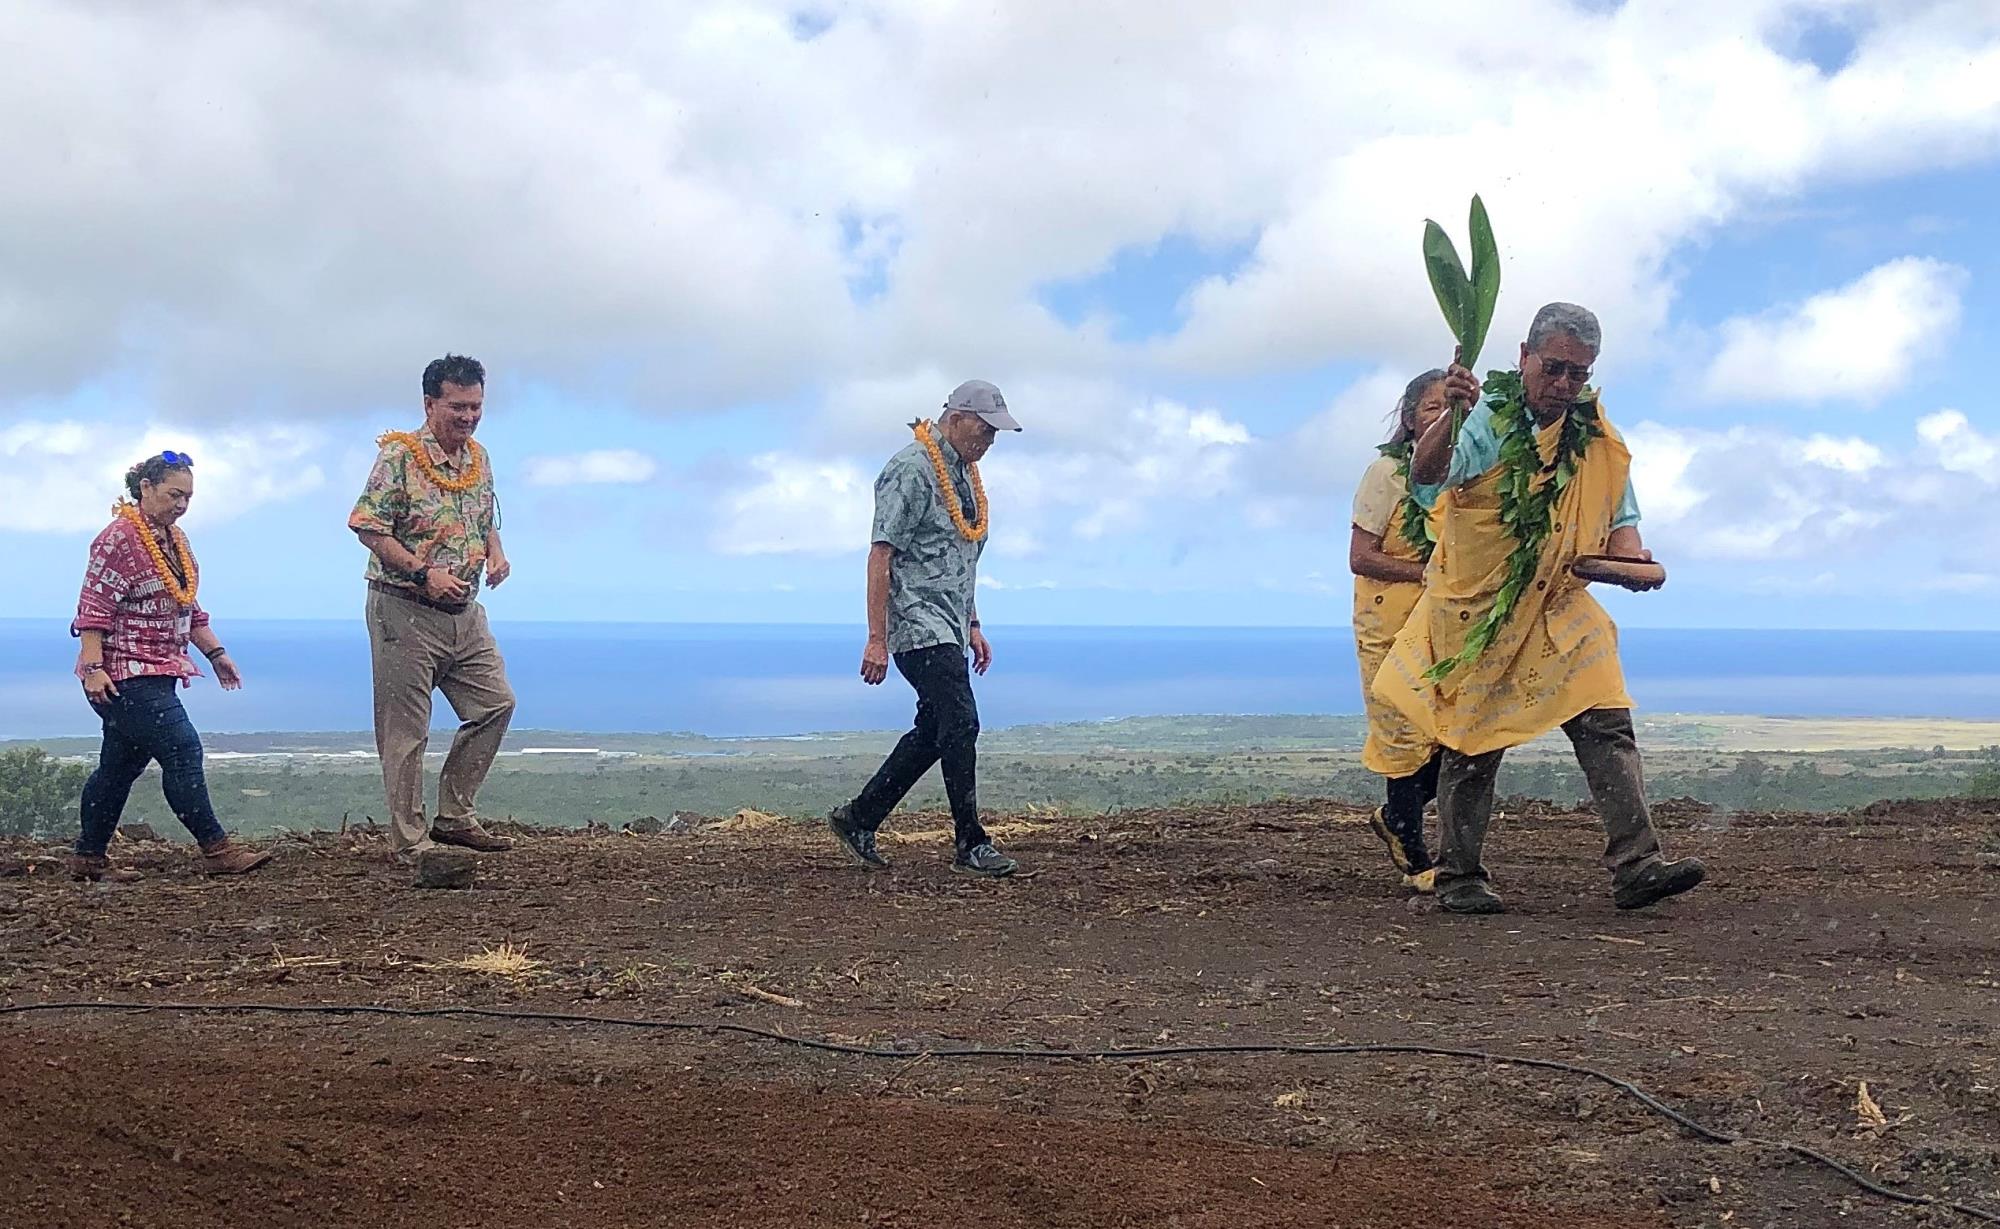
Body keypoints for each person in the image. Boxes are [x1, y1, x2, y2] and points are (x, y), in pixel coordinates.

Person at [1377, 302, 1706, 915]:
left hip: (1557, 600)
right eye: (1553, 369)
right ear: (1523, 358)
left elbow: (1621, 521)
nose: (1564, 385)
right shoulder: (1483, 421)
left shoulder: (1595, 436)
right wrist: (1450, 413)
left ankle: (1637, 864)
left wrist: (1630, 565)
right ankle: (1458, 876)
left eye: (1578, 374)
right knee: (1471, 740)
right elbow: (1427, 477)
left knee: (1606, 716)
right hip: (1478, 608)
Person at [826, 380, 1024, 878]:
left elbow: (961, 558)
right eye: (984, 429)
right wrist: (876, 638)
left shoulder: (965, 474)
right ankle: (970, 843)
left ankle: (859, 817)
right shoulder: (911, 469)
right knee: (960, 722)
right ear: (956, 418)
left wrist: (973, 622)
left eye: (995, 433)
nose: (990, 441)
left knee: (936, 728)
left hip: (950, 625)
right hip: (916, 624)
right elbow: (881, 553)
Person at [67, 452, 273, 881]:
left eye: (188, 497)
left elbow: (188, 605)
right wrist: (92, 667)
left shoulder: (174, 540)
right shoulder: (118, 538)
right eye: (174, 494)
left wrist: (216, 655)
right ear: (145, 488)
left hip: (161, 668)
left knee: (118, 767)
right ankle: (216, 849)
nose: (181, 504)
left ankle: (88, 859)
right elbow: (93, 608)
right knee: (182, 748)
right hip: (124, 674)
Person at [349, 354, 517, 862]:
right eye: (457, 407)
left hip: (464, 610)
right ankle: (410, 840)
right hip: (404, 607)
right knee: (406, 730)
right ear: (429, 403)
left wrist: (496, 550)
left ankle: (454, 815)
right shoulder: (399, 457)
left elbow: (483, 512)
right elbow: (366, 526)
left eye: (475, 407)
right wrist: (424, 572)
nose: (468, 417)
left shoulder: (479, 458)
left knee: (495, 703)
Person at [1350, 370, 1449, 893]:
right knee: (1403, 734)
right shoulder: (1385, 473)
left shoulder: (1463, 479)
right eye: (1431, 408)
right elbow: (1360, 557)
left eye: (1451, 409)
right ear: (1410, 419)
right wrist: (1425, 573)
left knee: (1450, 737)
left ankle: (1394, 817)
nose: (1442, 417)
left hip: (1443, 626)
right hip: (1389, 622)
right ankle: (1413, 852)